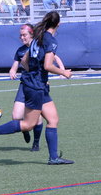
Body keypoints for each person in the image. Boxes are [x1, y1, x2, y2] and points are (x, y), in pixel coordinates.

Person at [0, 11, 74, 165]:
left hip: (38, 84)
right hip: (36, 86)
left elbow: (24, 60)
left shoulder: (38, 37)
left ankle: (53, 157)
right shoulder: (50, 40)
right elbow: (48, 65)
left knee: (53, 119)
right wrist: (64, 72)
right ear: (58, 24)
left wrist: (32, 73)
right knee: (28, 124)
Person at [8, 23, 66, 151]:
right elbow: (15, 65)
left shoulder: (40, 46)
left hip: (38, 85)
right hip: (25, 85)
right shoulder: (20, 50)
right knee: (16, 116)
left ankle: (36, 143)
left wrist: (62, 70)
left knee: (37, 117)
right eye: (20, 36)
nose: (22, 38)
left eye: (24, 35)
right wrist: (12, 71)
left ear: (32, 34)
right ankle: (24, 129)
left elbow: (55, 57)